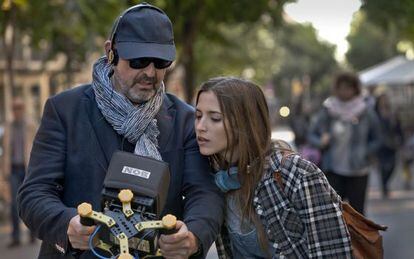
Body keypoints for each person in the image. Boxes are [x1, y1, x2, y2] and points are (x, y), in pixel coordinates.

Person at [17, 3, 223, 258]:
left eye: (160, 62)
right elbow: (33, 194)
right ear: (110, 52)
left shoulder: (185, 121)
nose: (150, 72)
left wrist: (192, 236)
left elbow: (204, 193)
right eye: (138, 60)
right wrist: (67, 224)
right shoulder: (64, 110)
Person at [195, 77, 352, 258]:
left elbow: (333, 253)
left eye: (215, 118)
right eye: (198, 116)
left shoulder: (296, 173)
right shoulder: (215, 178)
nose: (200, 126)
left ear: (244, 123)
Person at [308, 72, 381, 214]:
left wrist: (365, 152)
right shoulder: (328, 109)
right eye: (341, 88)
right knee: (334, 212)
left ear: (355, 89)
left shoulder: (365, 110)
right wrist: (321, 142)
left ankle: (358, 237)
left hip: (358, 169)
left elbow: (378, 138)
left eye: (348, 88)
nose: (344, 91)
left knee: (358, 212)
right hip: (333, 168)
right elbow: (311, 134)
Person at [2, 98, 37, 248]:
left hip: (27, 169)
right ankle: (16, 237)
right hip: (13, 170)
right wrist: (4, 171)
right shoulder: (8, 128)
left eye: (19, 107)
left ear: (23, 109)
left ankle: (32, 234)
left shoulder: (30, 126)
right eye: (14, 108)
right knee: (14, 205)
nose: (17, 110)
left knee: (29, 202)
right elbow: (4, 152)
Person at [374, 91, 403, 198]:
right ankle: (384, 186)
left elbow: (399, 129)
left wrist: (400, 140)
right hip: (380, 145)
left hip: (392, 145)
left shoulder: (392, 113)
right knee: (382, 167)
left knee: (393, 166)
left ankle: (385, 184)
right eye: (382, 99)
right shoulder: (375, 114)